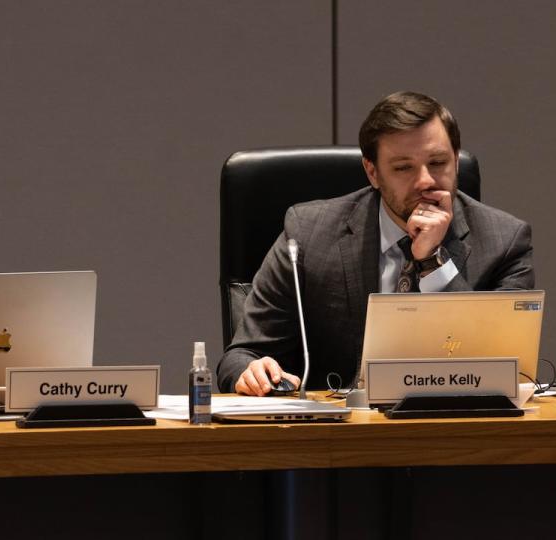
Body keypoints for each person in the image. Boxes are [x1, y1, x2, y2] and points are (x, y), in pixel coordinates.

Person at [217, 91, 535, 396]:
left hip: (458, 436)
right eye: (403, 168)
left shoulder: (504, 240)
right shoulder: (309, 234)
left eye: (438, 162)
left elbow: (506, 369)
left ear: (455, 159)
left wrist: (433, 262)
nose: (425, 180)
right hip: (343, 437)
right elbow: (241, 355)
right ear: (373, 172)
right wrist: (253, 371)